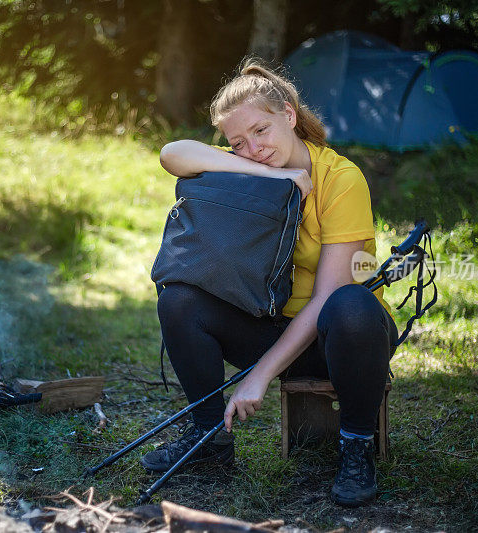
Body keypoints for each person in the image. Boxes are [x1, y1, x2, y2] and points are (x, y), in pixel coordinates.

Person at [140, 59, 399, 508]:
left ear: (289, 115)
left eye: (261, 130)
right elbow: (171, 154)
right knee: (180, 299)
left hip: (341, 340)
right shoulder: (251, 168)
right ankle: (209, 439)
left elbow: (326, 298)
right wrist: (271, 175)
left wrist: (258, 377)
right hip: (272, 325)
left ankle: (356, 446)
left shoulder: (341, 179)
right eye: (239, 142)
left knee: (351, 303)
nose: (253, 148)